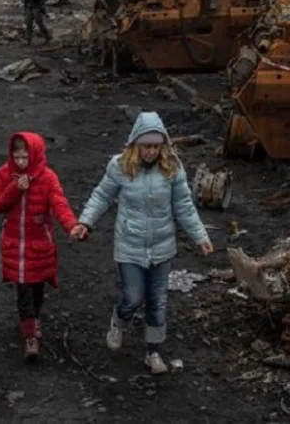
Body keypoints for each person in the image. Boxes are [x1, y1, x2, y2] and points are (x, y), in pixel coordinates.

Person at [73, 112, 213, 375]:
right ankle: (119, 320)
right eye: (146, 146)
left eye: (155, 146)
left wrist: (201, 237)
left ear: (163, 145)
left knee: (158, 301)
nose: (150, 152)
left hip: (162, 246)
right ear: (136, 143)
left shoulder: (172, 167)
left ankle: (153, 352)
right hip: (130, 244)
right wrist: (85, 222)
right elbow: (102, 195)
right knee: (133, 297)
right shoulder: (120, 166)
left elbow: (183, 206)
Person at [0, 132, 80, 362]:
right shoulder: (4, 174)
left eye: (25, 157)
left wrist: (72, 226)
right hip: (15, 246)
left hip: (39, 245)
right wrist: (14, 188)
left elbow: (60, 204)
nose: (20, 162)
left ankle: (34, 319)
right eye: (17, 157)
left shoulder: (48, 178)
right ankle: (30, 336)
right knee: (24, 290)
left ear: (36, 155)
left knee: (37, 288)